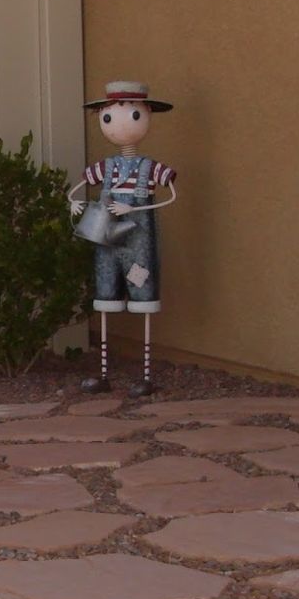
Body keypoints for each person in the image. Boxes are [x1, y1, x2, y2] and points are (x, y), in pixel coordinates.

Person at [66, 80, 177, 395]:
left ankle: (144, 377)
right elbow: (76, 189)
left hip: (138, 243)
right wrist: (74, 202)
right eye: (109, 117)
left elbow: (170, 196)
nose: (117, 125)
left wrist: (133, 206)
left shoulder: (150, 168)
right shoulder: (107, 167)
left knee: (142, 294)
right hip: (108, 242)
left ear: (146, 116)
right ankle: (103, 374)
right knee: (105, 296)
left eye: (132, 115)